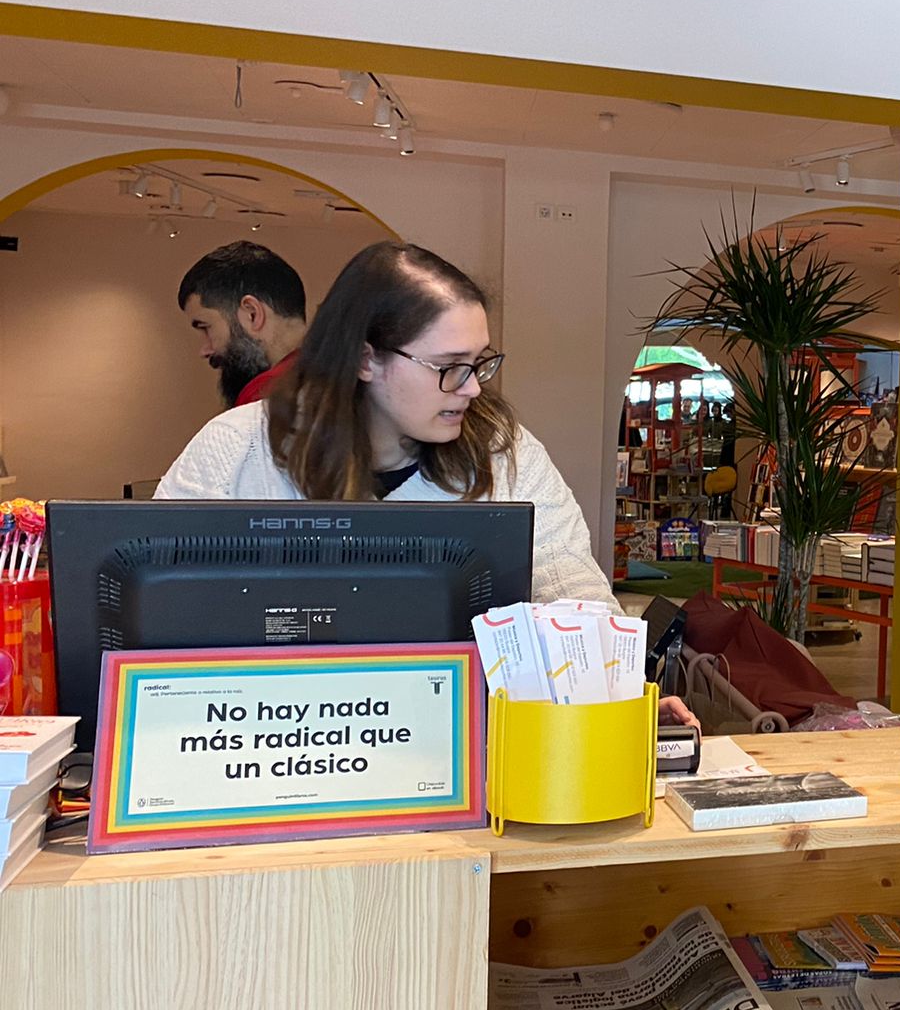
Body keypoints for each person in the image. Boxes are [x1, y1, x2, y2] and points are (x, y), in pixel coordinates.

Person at [156, 241, 695, 723]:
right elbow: (160, 610)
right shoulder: (235, 451)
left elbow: (567, 586)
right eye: (448, 366)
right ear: (366, 358)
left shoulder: (503, 452)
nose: (472, 390)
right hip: (274, 739)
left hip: (461, 748)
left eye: (477, 363)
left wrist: (615, 693)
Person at [177, 242, 310, 408]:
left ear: (252, 314)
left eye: (206, 327)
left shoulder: (266, 404)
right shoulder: (341, 382)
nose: (204, 350)